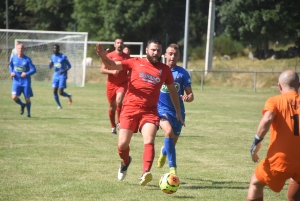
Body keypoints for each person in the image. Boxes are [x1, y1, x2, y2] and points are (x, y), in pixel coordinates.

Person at [95, 38, 184, 186]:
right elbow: (112, 65)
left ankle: (145, 173)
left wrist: (178, 111)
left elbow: (173, 91)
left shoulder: (164, 69)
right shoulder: (135, 62)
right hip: (129, 109)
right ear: (147, 51)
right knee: (122, 144)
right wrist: (103, 56)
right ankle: (125, 161)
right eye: (153, 50)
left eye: (159, 51)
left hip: (149, 111)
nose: (156, 53)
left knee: (149, 140)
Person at [247, 69, 300, 201]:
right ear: (299, 85)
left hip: (280, 160)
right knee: (297, 184)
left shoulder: (274, 101)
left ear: (279, 86)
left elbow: (267, 118)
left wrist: (256, 142)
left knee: (255, 182)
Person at [157, 43, 194, 175]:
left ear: (178, 56)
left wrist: (187, 97)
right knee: (168, 132)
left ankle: (163, 152)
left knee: (172, 141)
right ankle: (173, 168)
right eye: (170, 54)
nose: (172, 56)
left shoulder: (182, 73)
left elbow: (191, 95)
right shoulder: (159, 70)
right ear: (165, 55)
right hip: (161, 110)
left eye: (175, 54)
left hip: (178, 112)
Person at [100, 38, 131, 134]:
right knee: (112, 107)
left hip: (122, 83)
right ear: (114, 45)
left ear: (123, 45)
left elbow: (130, 70)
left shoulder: (127, 57)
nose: (119, 44)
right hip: (111, 85)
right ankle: (113, 126)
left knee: (119, 100)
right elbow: (102, 70)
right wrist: (112, 71)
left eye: (121, 43)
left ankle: (119, 122)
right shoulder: (109, 56)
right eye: (118, 43)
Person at [9, 43, 36, 117]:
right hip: (16, 81)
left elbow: (34, 70)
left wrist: (26, 73)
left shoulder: (27, 59)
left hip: (25, 82)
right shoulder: (13, 58)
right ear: (17, 49)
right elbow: (10, 66)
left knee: (27, 97)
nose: (20, 50)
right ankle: (22, 104)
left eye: (21, 48)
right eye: (19, 48)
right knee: (14, 97)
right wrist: (11, 72)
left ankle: (28, 113)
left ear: (24, 49)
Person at [49, 44, 72, 109]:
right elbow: (50, 67)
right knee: (54, 91)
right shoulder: (52, 57)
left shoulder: (63, 57)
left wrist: (63, 71)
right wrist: (50, 64)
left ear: (58, 49)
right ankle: (59, 105)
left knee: (61, 92)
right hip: (55, 75)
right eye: (54, 49)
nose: (55, 50)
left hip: (62, 75)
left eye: (56, 49)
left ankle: (69, 96)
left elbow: (69, 66)